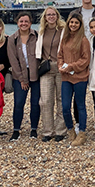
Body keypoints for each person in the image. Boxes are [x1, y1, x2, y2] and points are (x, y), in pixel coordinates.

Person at [70, 0, 95, 136]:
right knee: (78, 89)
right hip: (78, 52)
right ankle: (78, 122)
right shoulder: (74, 13)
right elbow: (70, 30)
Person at [58, 13, 90, 146]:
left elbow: (85, 59)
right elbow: (60, 54)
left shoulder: (83, 40)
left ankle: (82, 133)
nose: (73, 25)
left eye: (76, 23)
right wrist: (60, 65)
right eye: (71, 22)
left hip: (80, 77)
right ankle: (71, 130)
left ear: (80, 24)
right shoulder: (64, 39)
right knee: (65, 106)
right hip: (66, 77)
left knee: (80, 105)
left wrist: (71, 66)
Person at [7, 11, 40, 141]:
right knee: (19, 103)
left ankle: (34, 129)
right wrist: (22, 79)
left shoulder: (36, 35)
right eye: (21, 21)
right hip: (19, 75)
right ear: (17, 23)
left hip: (35, 74)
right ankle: (16, 130)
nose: (24, 23)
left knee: (35, 103)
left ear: (30, 23)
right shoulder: (12, 39)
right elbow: (13, 60)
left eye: (26, 21)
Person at [35, 7, 66, 142]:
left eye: (53, 14)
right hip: (46, 68)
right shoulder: (41, 31)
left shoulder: (63, 31)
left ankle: (60, 130)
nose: (51, 17)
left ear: (57, 16)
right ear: (45, 17)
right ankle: (48, 131)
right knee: (46, 101)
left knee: (61, 99)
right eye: (49, 15)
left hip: (60, 67)